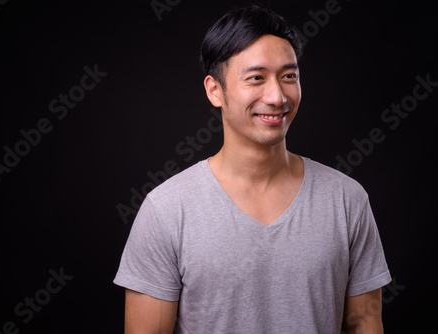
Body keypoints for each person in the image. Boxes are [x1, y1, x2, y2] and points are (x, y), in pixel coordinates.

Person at [114, 5, 391, 333]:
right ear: (215, 90)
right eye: (256, 78)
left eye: (289, 77)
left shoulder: (346, 200)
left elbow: (364, 322)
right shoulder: (167, 210)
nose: (276, 97)